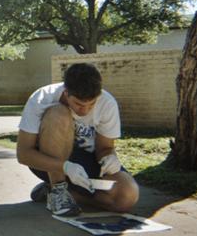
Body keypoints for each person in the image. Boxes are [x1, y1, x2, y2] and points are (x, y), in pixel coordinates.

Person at [16, 63, 139, 217]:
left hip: (86, 163)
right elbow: (23, 154)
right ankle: (58, 191)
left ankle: (62, 194)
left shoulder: (107, 103)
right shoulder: (42, 98)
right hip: (49, 163)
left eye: (91, 104)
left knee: (126, 197)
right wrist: (65, 167)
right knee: (58, 113)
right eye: (79, 104)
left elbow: (105, 148)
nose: (85, 110)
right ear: (66, 92)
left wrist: (109, 158)